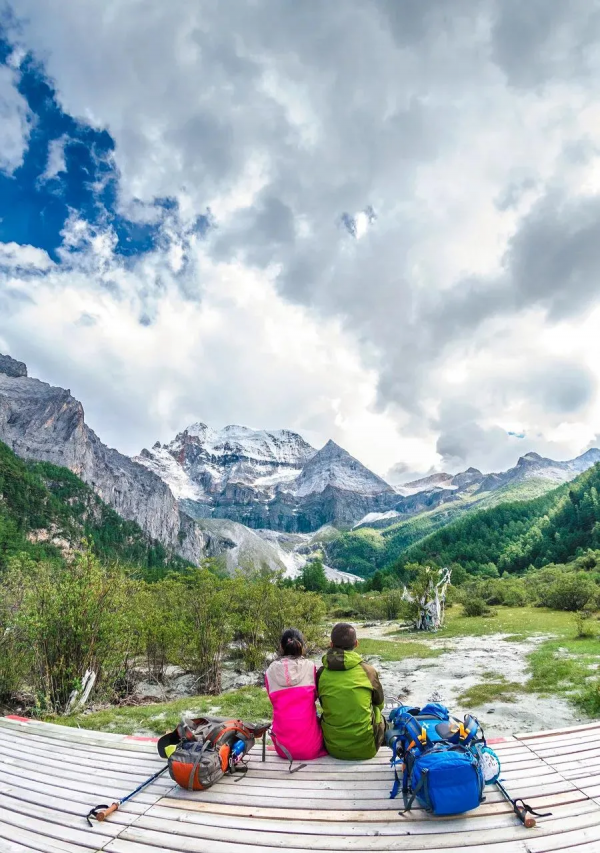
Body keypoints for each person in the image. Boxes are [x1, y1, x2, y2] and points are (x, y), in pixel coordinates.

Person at [317, 622, 385, 760]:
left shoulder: (321, 673)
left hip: (333, 747)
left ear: (331, 645)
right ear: (356, 644)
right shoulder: (368, 671)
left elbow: (323, 702)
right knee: (380, 715)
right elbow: (380, 704)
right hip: (367, 749)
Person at [265, 628, 326, 761]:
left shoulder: (269, 671)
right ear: (302, 646)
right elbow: (315, 695)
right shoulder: (310, 667)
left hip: (283, 749)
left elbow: (273, 700)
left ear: (281, 647)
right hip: (311, 748)